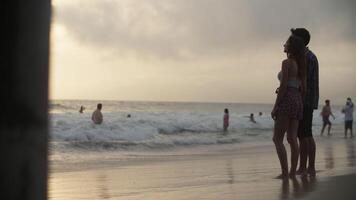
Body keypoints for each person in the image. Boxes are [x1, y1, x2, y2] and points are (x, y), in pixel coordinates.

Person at [271, 34, 306, 179]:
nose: (284, 45)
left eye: (286, 43)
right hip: (297, 99)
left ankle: (285, 173)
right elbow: (303, 88)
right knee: (292, 138)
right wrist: (300, 102)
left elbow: (284, 85)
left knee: (277, 138)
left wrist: (275, 106)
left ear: (291, 47)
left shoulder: (287, 63)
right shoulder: (301, 64)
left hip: (287, 99)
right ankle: (292, 172)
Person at [293, 28, 319, 178]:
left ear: (300, 40)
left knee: (303, 134)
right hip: (310, 98)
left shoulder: (306, 57)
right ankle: (310, 167)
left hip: (305, 99)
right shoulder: (310, 56)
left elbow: (303, 81)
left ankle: (303, 167)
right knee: (307, 133)